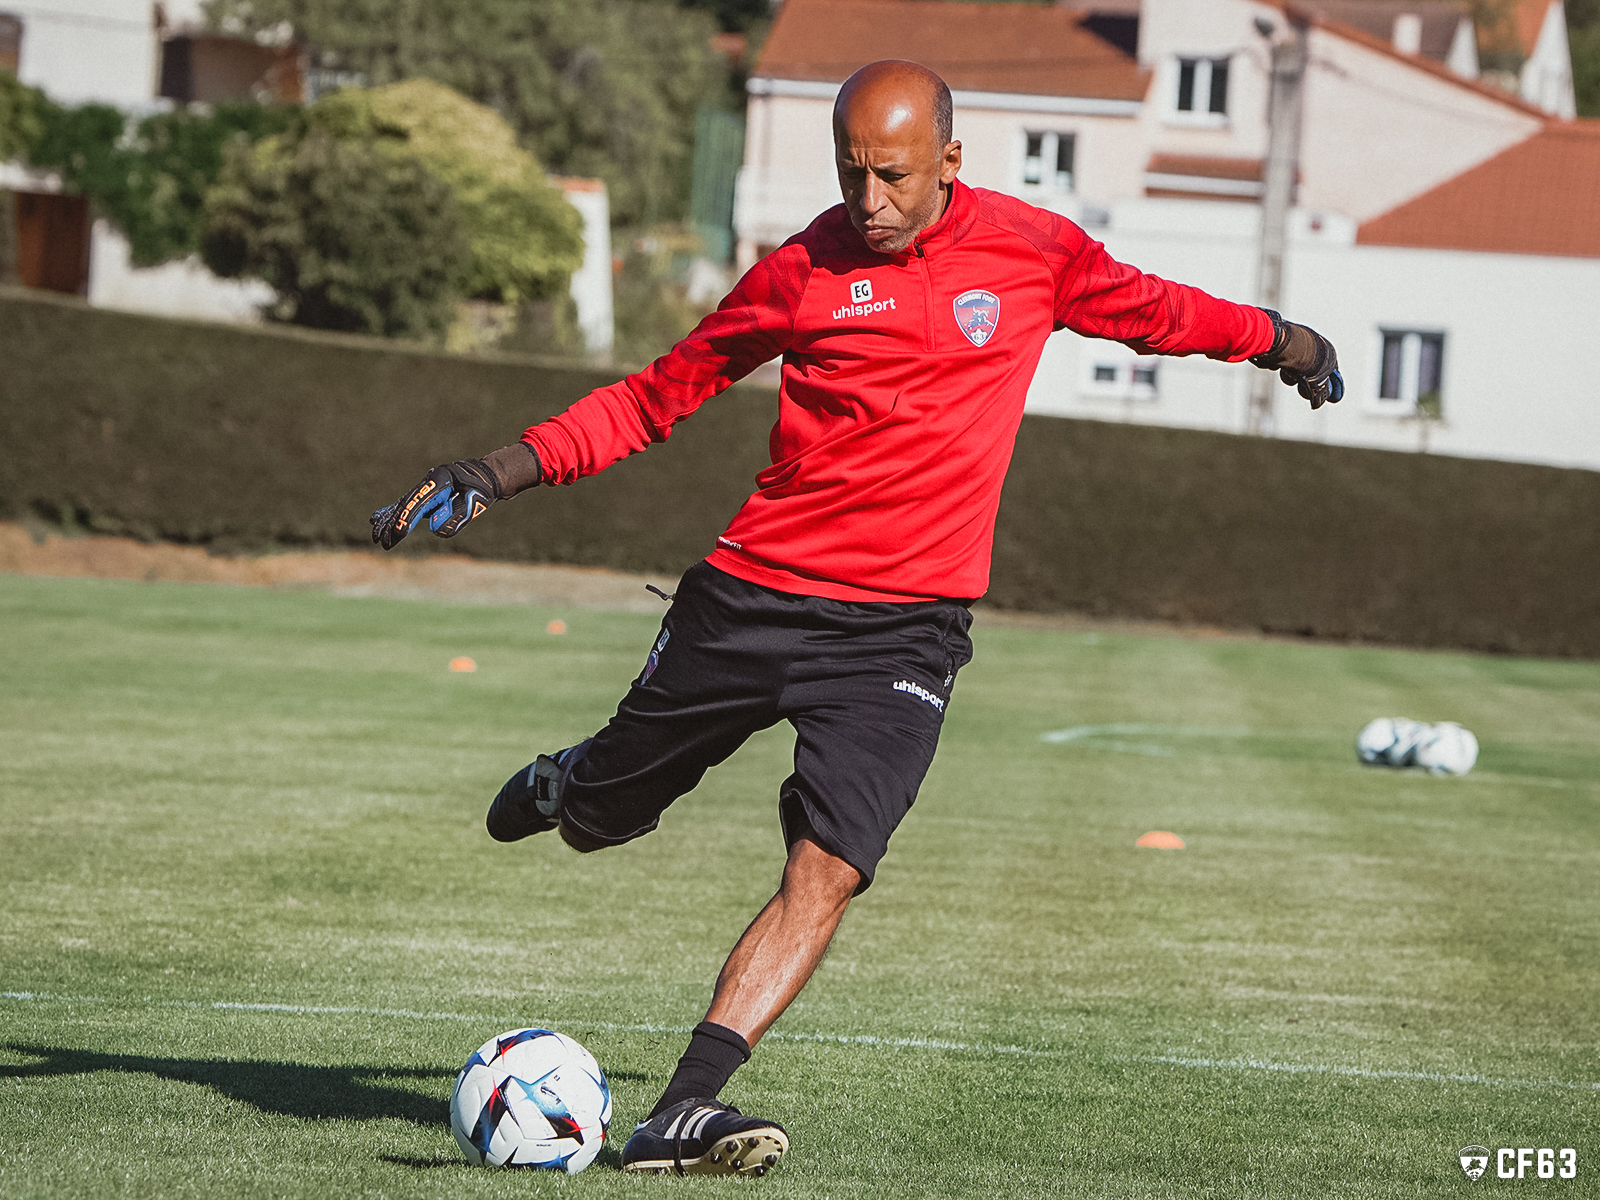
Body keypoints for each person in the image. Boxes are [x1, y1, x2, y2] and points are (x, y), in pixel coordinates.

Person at [371, 60, 1342, 1177]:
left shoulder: (1034, 253)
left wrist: (1284, 340)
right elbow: (655, 397)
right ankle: (573, 783)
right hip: (750, 601)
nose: (868, 199)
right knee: (606, 820)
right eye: (850, 173)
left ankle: (681, 1110)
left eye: (891, 175)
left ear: (951, 161)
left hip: (904, 634)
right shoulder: (798, 270)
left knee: (829, 864)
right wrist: (499, 470)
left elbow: (1156, 312)